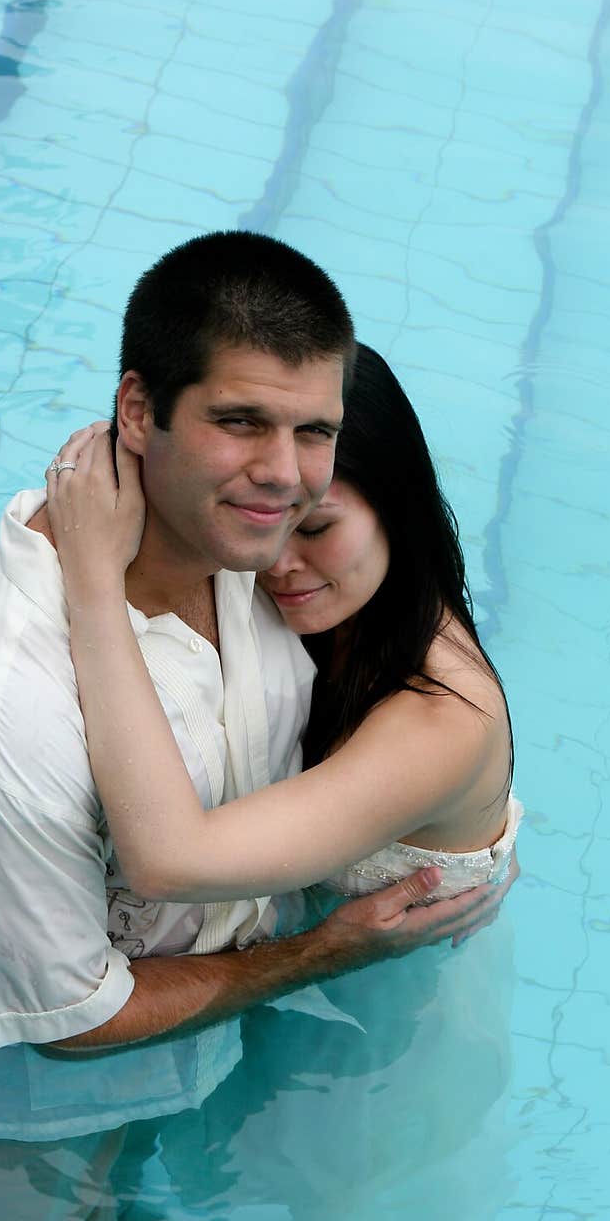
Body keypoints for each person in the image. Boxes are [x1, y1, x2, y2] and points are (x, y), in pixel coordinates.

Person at [0, 232, 515, 1221]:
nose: (284, 487)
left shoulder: (273, 575)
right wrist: (314, 955)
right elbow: (74, 1016)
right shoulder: (0, 727)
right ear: (138, 413)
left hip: (305, 1030)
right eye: (241, 423)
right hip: (33, 1112)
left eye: (313, 441)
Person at [46, 342, 521, 934]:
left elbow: (168, 863)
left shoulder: (443, 719)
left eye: (315, 528)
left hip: (394, 996)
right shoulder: (347, 610)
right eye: (267, 518)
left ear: (398, 510)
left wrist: (94, 583)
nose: (275, 560)